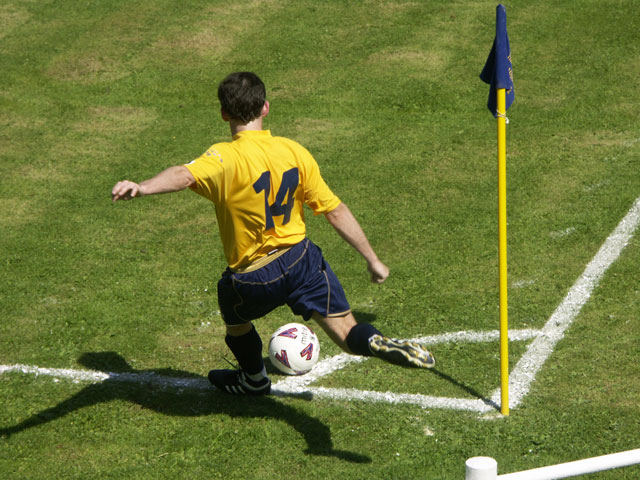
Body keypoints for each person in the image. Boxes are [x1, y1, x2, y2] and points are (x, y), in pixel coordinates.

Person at [111, 72, 434, 396]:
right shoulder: (294, 151)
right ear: (265, 107)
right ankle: (372, 341)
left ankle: (253, 379)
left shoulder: (223, 157)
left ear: (224, 113)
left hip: (253, 278)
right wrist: (373, 259)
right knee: (347, 334)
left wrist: (142, 187)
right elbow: (334, 211)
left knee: (234, 314)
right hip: (301, 260)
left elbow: (183, 175)